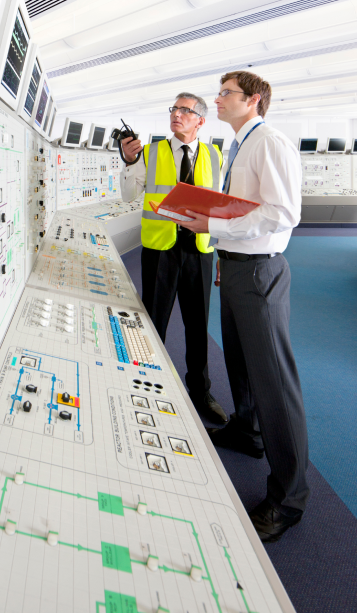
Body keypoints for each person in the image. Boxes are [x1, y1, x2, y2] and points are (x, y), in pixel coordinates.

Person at [183, 70, 309, 543]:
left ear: (253, 100)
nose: (217, 99)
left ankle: (289, 498)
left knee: (275, 383)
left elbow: (282, 213)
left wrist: (214, 230)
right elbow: (245, 207)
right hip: (236, 266)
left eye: (226, 93)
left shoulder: (269, 141)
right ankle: (247, 432)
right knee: (239, 363)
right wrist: (217, 237)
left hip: (259, 272)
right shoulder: (241, 144)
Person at [120, 92, 227, 425]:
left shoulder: (215, 155)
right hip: (160, 247)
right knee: (152, 321)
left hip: (199, 249)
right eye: (174, 109)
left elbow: (220, 204)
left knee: (198, 326)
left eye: (185, 110)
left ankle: (200, 391)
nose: (176, 114)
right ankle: (146, 383)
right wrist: (127, 162)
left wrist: (221, 251)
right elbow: (129, 195)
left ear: (200, 120)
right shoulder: (150, 153)